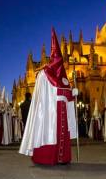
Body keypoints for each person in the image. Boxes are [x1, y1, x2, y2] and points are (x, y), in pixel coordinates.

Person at [19, 28, 77, 165]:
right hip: (49, 111)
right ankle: (47, 156)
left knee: (62, 132)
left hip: (62, 109)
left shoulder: (63, 76)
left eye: (60, 60)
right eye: (56, 59)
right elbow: (45, 95)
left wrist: (73, 93)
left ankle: (62, 157)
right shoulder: (44, 74)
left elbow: (66, 93)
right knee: (50, 132)